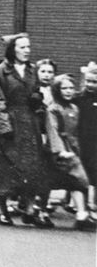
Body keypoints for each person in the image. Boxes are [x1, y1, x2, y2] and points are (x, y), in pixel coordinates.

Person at [0, 33, 53, 227]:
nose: (27, 51)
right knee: (4, 167)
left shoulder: (33, 69)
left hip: (29, 123)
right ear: (12, 50)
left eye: (28, 47)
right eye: (22, 47)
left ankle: (29, 207)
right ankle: (3, 209)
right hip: (9, 123)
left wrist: (37, 99)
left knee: (31, 165)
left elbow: (36, 92)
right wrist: (4, 126)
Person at [46, 74, 96, 231]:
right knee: (48, 182)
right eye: (64, 88)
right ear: (57, 90)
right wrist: (60, 150)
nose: (68, 91)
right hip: (60, 150)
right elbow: (52, 129)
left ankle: (82, 214)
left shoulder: (74, 107)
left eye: (70, 88)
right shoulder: (54, 108)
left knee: (77, 180)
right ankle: (38, 209)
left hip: (74, 148)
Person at [75, 63, 97, 218]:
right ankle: (82, 208)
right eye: (88, 81)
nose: (90, 85)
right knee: (82, 175)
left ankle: (93, 207)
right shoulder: (79, 98)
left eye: (94, 82)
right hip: (82, 142)